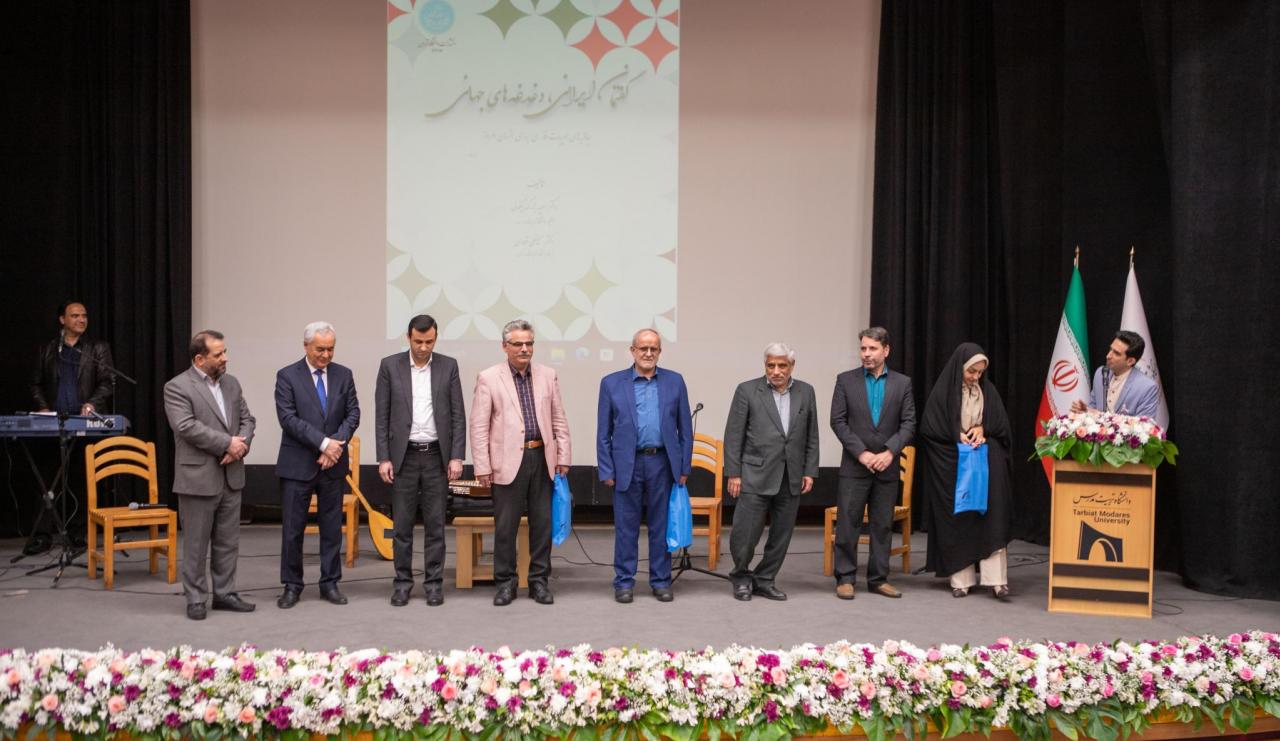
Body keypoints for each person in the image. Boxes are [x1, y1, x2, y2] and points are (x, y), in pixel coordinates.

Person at [470, 319, 571, 606]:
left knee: (542, 525)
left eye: (529, 343)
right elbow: (479, 426)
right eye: (518, 344)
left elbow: (559, 419)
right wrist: (482, 466)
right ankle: (505, 583)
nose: (525, 349)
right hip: (506, 461)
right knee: (505, 527)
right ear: (505, 346)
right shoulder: (489, 377)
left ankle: (539, 582)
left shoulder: (548, 375)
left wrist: (564, 456)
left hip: (542, 457)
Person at [163, 330, 256, 620]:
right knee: (196, 543)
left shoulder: (232, 384)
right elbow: (186, 426)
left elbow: (247, 420)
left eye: (225, 351)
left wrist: (240, 447)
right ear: (200, 359)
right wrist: (227, 444)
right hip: (198, 478)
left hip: (231, 474)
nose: (225, 358)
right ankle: (195, 598)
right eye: (219, 354)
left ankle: (225, 593)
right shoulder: (177, 387)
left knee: (228, 542)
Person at [597, 329, 693, 604]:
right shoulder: (611, 383)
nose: (648, 353)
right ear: (633, 351)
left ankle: (661, 581)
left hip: (663, 463)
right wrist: (607, 470)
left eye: (654, 349)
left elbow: (685, 430)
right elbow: (603, 432)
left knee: (661, 526)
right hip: (626, 464)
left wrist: (684, 467)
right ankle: (624, 582)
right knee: (625, 527)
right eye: (643, 348)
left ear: (660, 352)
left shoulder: (675, 381)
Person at [375, 314, 465, 607]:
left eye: (429, 342)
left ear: (435, 339)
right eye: (418, 341)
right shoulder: (390, 366)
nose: (424, 347)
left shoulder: (448, 366)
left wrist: (456, 456)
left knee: (436, 525)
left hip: (437, 455)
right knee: (402, 526)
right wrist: (383, 457)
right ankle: (402, 584)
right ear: (408, 338)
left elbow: (457, 414)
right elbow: (382, 415)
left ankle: (434, 584)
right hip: (404, 456)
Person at [274, 321, 360, 608]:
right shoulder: (287, 376)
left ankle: (330, 583)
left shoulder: (344, 374)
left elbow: (353, 414)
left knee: (332, 528)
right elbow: (288, 419)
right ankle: (292, 586)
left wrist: (335, 445)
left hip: (333, 465)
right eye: (320, 349)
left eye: (330, 349)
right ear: (306, 346)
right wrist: (324, 444)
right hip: (297, 464)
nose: (326, 355)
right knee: (293, 529)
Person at [723, 343, 819, 601]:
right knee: (745, 534)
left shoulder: (806, 392)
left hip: (791, 476)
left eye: (782, 365)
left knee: (782, 535)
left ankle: (765, 579)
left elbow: (812, 435)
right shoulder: (747, 390)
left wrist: (810, 471)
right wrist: (734, 473)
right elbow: (733, 435)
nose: (776, 371)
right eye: (771, 365)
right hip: (754, 474)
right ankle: (741, 577)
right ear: (765, 365)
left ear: (792, 366)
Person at [921, 343, 1014, 599]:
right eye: (971, 371)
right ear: (959, 367)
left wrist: (984, 430)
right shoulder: (944, 393)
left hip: (985, 465)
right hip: (955, 465)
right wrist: (956, 435)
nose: (976, 377)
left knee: (992, 516)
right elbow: (930, 429)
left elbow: (1002, 428)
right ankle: (961, 580)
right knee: (959, 518)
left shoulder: (988, 391)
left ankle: (996, 581)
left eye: (980, 372)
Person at [829, 327, 915, 600]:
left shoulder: (902, 383)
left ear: (885, 350)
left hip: (887, 466)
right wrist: (862, 453)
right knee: (848, 523)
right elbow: (838, 421)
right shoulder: (845, 380)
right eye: (863, 348)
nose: (866, 354)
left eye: (872, 349)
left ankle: (878, 579)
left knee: (882, 525)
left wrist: (890, 452)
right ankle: (845, 578)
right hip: (855, 466)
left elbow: (909, 423)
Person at [31, 300, 115, 416]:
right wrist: (43, 407)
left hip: (87, 418)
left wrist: (92, 404)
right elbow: (35, 384)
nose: (82, 320)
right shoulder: (47, 349)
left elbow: (106, 382)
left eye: (84, 316)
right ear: (62, 319)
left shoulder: (98, 347)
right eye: (75, 316)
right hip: (55, 420)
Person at [1070, 330, 1161, 419]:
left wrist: (1099, 415)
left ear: (1130, 361)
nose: (1108, 356)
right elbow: (1093, 407)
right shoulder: (1100, 373)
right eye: (1110, 349)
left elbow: (1144, 424)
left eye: (1116, 353)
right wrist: (1085, 411)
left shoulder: (1147, 387)